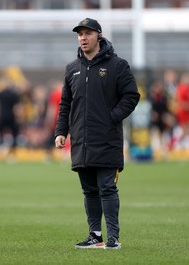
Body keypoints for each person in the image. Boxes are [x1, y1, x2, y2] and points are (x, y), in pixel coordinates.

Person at [54, 18, 140, 250]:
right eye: (80, 34)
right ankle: (95, 236)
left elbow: (132, 96)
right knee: (89, 191)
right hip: (81, 141)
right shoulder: (72, 68)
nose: (83, 37)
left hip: (107, 140)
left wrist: (112, 117)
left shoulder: (117, 65)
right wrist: (61, 131)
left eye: (88, 33)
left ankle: (113, 238)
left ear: (99, 36)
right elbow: (65, 104)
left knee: (107, 188)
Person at [168, 72, 189, 153]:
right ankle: (171, 145)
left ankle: (171, 145)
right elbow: (180, 102)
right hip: (183, 112)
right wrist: (188, 105)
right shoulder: (181, 88)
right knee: (187, 132)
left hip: (188, 111)